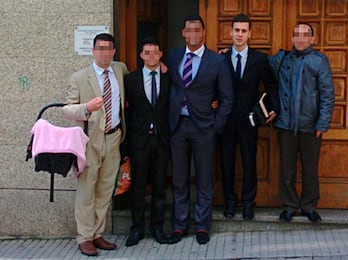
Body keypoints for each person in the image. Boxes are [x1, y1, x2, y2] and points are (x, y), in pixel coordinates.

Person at [167, 14, 233, 245]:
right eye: (189, 30)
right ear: (183, 33)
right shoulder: (173, 56)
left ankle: (202, 225)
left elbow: (227, 97)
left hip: (205, 127)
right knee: (179, 179)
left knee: (204, 179)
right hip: (178, 126)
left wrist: (217, 125)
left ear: (203, 32)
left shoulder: (217, 61)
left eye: (197, 29)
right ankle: (179, 225)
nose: (193, 33)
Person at [62, 33, 129, 256]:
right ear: (93, 50)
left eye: (109, 48)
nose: (104, 52)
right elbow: (66, 109)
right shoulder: (80, 77)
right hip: (90, 141)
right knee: (86, 190)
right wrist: (86, 108)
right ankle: (84, 237)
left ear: (114, 51)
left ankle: (97, 234)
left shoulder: (120, 69)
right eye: (100, 48)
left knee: (104, 190)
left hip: (113, 138)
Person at [269, 23, 335, 223]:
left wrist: (322, 124)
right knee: (287, 170)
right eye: (296, 34)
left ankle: (309, 206)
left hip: (311, 127)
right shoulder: (281, 59)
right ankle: (289, 206)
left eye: (305, 35)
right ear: (291, 38)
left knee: (309, 169)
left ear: (312, 39)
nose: (300, 38)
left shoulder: (319, 61)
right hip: (286, 125)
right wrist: (228, 53)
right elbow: (257, 62)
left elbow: (327, 95)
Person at [219, 14, 277, 220]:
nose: (240, 34)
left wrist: (272, 108)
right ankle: (229, 203)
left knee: (249, 163)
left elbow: (271, 86)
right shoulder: (221, 58)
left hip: (249, 120)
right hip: (225, 120)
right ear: (231, 32)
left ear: (250, 34)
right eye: (236, 30)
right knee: (226, 164)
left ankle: (247, 204)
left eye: (244, 31)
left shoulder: (260, 60)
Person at [123, 37, 170, 246]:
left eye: (155, 52)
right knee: (139, 186)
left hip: (161, 139)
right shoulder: (130, 80)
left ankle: (157, 227)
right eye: (147, 52)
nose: (152, 56)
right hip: (139, 140)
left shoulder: (169, 77)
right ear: (141, 55)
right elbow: (126, 109)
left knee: (160, 186)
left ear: (160, 55)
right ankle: (137, 228)